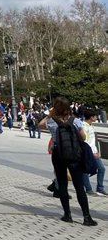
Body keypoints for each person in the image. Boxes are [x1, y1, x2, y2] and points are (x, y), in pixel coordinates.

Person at [39, 97, 97, 226]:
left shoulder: (51, 121)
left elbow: (40, 125)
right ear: (68, 107)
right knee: (79, 187)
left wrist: (50, 113)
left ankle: (67, 215)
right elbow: (83, 137)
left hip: (58, 155)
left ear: (55, 108)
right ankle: (87, 217)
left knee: (63, 184)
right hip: (74, 155)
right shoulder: (75, 120)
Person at [82, 109, 106, 196]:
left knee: (101, 169)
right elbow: (86, 141)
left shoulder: (90, 125)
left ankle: (100, 188)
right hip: (89, 152)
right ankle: (88, 189)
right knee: (85, 171)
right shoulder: (84, 126)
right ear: (91, 117)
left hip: (94, 151)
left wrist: (97, 150)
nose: (96, 117)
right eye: (95, 116)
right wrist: (92, 152)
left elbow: (93, 140)